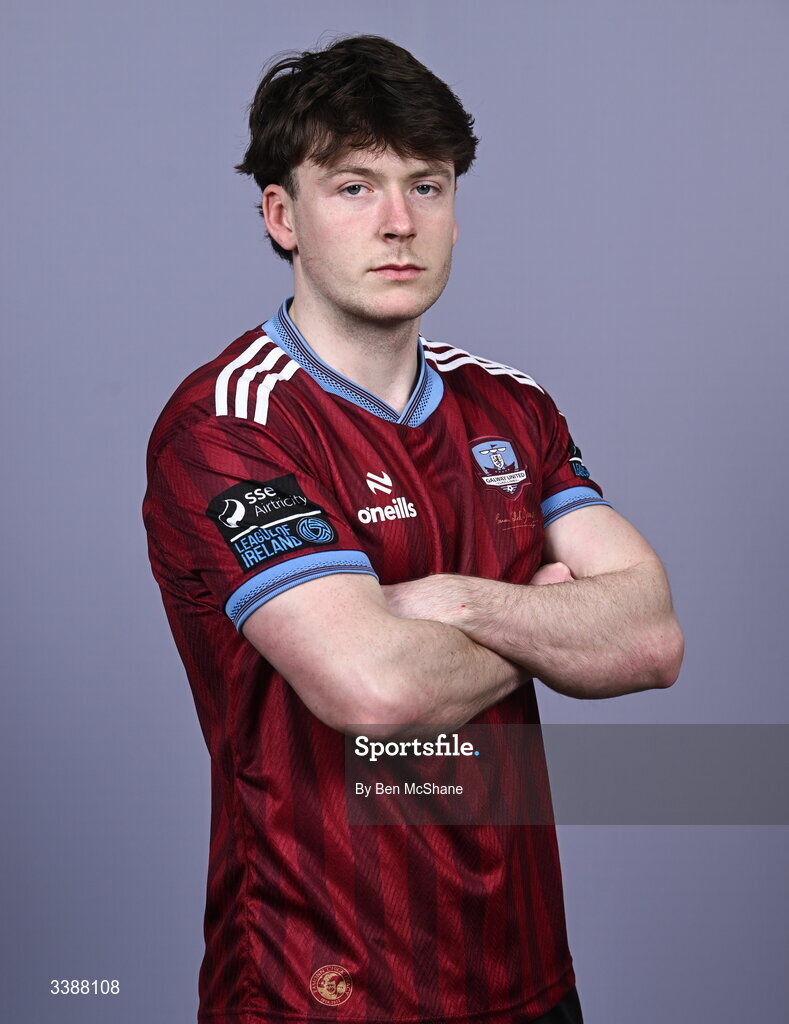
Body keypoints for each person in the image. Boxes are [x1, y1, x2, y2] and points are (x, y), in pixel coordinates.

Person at [143, 34, 683, 1024]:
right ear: (282, 217)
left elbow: (650, 639)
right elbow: (377, 691)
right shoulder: (229, 424)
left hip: (528, 973)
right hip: (320, 984)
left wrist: (453, 602)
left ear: (454, 211)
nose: (398, 222)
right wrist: (549, 621)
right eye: (354, 186)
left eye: (425, 186)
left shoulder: (513, 407)